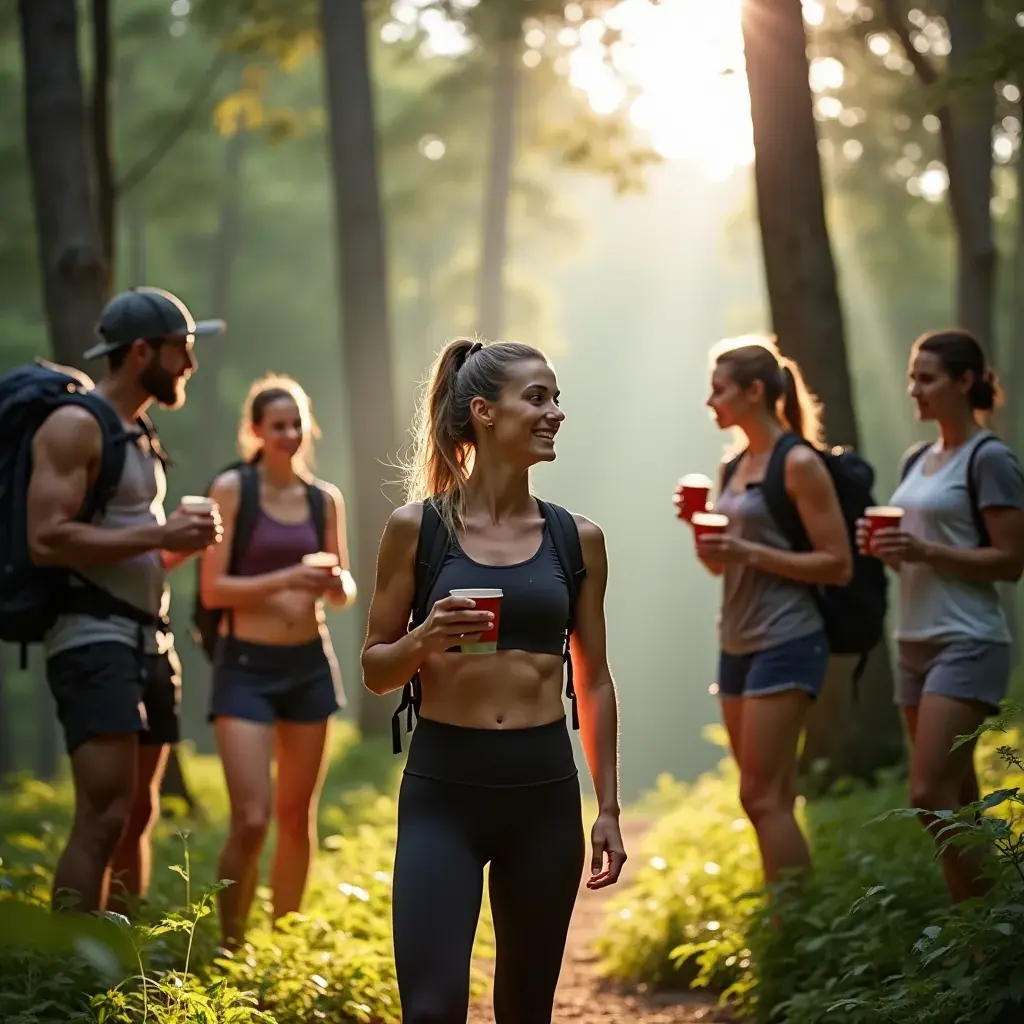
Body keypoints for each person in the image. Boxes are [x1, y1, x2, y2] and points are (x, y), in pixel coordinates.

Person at [361, 337, 625, 1023]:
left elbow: (593, 681)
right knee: (430, 1010)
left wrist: (609, 809)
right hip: (443, 792)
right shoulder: (416, 530)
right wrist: (424, 639)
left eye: (556, 398)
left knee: (525, 1013)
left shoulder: (578, 539)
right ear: (482, 411)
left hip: (543, 794)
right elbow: (374, 672)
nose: (555, 413)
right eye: (537, 398)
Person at [25, 286, 225, 914]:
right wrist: (162, 533)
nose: (189, 365)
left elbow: (128, 545)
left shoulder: (139, 432)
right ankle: (67, 971)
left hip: (150, 638)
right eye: (181, 350)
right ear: (142, 352)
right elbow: (46, 538)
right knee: (103, 812)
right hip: (92, 636)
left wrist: (177, 548)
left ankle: (121, 959)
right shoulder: (74, 425)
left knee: (138, 811)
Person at [676, 335, 852, 888]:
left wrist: (747, 550)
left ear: (755, 392)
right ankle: (792, 930)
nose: (710, 403)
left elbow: (837, 564)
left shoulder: (798, 463)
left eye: (719, 390)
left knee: (760, 794)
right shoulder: (732, 467)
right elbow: (724, 568)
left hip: (789, 637)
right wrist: (699, 533)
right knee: (767, 796)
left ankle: (792, 931)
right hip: (737, 641)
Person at [856, 329, 1024, 902]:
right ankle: (980, 941)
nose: (914, 389)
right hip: (915, 641)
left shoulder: (990, 458)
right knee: (959, 796)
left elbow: (1010, 561)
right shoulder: (918, 459)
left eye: (927, 378)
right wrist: (891, 551)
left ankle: (993, 918)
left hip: (968, 639)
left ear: (965, 381)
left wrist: (926, 551)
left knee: (929, 792)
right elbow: (920, 559)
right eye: (911, 377)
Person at [200, 374, 357, 948]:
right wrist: (290, 576)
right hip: (244, 666)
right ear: (256, 432)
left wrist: (335, 583)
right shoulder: (232, 489)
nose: (289, 435)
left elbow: (342, 590)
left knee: (296, 817)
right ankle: (230, 945)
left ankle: (283, 947)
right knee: (251, 819)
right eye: (277, 426)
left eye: (297, 424)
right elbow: (214, 591)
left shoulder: (323, 499)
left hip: (309, 666)